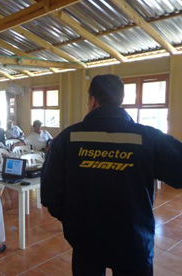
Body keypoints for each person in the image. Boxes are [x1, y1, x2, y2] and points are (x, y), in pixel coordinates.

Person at [41, 74, 182, 276]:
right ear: (120, 100)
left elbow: (49, 195)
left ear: (92, 101)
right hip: (133, 242)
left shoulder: (67, 138)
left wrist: (73, 218)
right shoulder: (147, 138)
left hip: (85, 241)